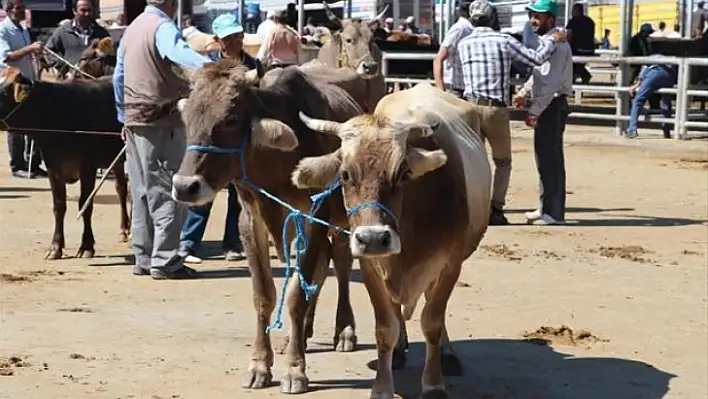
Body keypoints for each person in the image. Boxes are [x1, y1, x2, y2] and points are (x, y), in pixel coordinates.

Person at [113, 0, 212, 279]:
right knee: (167, 190)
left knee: (142, 193)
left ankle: (144, 257)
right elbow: (178, 53)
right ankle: (166, 261)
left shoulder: (132, 29)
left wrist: (122, 115)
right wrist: (215, 67)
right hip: (161, 121)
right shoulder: (162, 27)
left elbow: (118, 77)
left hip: (134, 122)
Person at [457, 0, 564, 226]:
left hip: (469, 108)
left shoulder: (464, 43)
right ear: (493, 19)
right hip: (495, 108)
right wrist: (553, 41)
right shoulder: (503, 40)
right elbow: (535, 59)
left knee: (475, 160)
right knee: (503, 161)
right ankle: (495, 209)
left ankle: (473, 207)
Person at [178, 13, 258, 264]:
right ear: (217, 40)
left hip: (240, 142)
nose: (235, 40)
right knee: (202, 191)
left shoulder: (254, 67)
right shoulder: (207, 69)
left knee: (239, 196)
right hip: (211, 142)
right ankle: (188, 243)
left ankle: (232, 244)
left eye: (238, 35)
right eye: (229, 37)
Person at [513, 0, 572, 226]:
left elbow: (550, 83)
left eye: (538, 16)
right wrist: (524, 92)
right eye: (532, 15)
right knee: (544, 158)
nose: (533, 20)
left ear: (551, 19)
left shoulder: (556, 44)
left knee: (550, 160)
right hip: (550, 104)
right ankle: (546, 207)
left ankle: (554, 213)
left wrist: (535, 110)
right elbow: (538, 74)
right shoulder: (548, 42)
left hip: (552, 105)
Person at [0, 0, 46, 179]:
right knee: (15, 125)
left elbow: (26, 54)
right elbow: (7, 58)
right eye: (19, 8)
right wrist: (30, 48)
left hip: (29, 81)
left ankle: (33, 164)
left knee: (33, 122)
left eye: (23, 8)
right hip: (12, 83)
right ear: (9, 10)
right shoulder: (3, 30)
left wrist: (36, 53)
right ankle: (17, 164)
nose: (22, 11)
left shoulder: (23, 29)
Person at [45, 0, 110, 79]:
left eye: (89, 10)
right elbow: (47, 51)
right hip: (70, 83)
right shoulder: (63, 31)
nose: (87, 14)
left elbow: (110, 57)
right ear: (74, 11)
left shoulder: (101, 33)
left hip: (94, 84)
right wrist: (63, 68)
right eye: (83, 10)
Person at [625, 62, 678, 140]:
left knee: (638, 100)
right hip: (669, 74)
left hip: (655, 72)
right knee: (666, 101)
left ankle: (632, 130)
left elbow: (645, 66)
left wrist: (637, 84)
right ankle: (666, 130)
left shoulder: (651, 55)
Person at [433, 2, 473, 98]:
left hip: (463, 87)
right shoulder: (460, 29)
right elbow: (439, 58)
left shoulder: (468, 28)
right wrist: (440, 90)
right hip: (455, 89)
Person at [566, 3, 594, 84]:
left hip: (577, 50)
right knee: (577, 66)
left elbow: (568, 35)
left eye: (573, 10)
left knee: (569, 65)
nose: (572, 12)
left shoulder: (573, 22)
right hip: (590, 50)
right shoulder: (590, 21)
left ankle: (574, 82)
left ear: (578, 11)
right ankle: (584, 75)